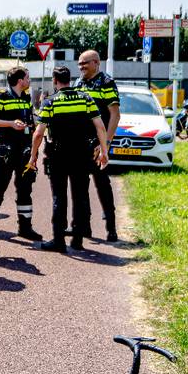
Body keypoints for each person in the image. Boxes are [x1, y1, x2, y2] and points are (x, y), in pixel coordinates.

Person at [27, 66, 110, 253]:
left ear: (55, 81)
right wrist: (104, 152)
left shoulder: (50, 102)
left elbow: (38, 133)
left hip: (58, 156)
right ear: (70, 79)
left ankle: (58, 240)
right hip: (82, 155)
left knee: (59, 196)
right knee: (80, 196)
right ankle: (78, 240)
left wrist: (33, 156)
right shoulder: (86, 98)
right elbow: (100, 127)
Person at [0, 66, 42, 241]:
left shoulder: (26, 98)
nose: (29, 80)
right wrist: (10, 123)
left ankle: (25, 228)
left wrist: (34, 152)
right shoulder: (1, 97)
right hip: (6, 152)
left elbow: (31, 126)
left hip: (24, 152)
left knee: (25, 188)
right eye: (27, 77)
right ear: (19, 80)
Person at [76, 50, 121, 242]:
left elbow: (115, 115)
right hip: (79, 143)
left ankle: (111, 228)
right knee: (80, 185)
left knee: (102, 185)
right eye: (79, 64)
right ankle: (83, 227)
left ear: (96, 63)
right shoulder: (79, 83)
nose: (81, 67)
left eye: (84, 63)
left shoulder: (106, 83)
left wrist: (106, 145)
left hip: (97, 143)